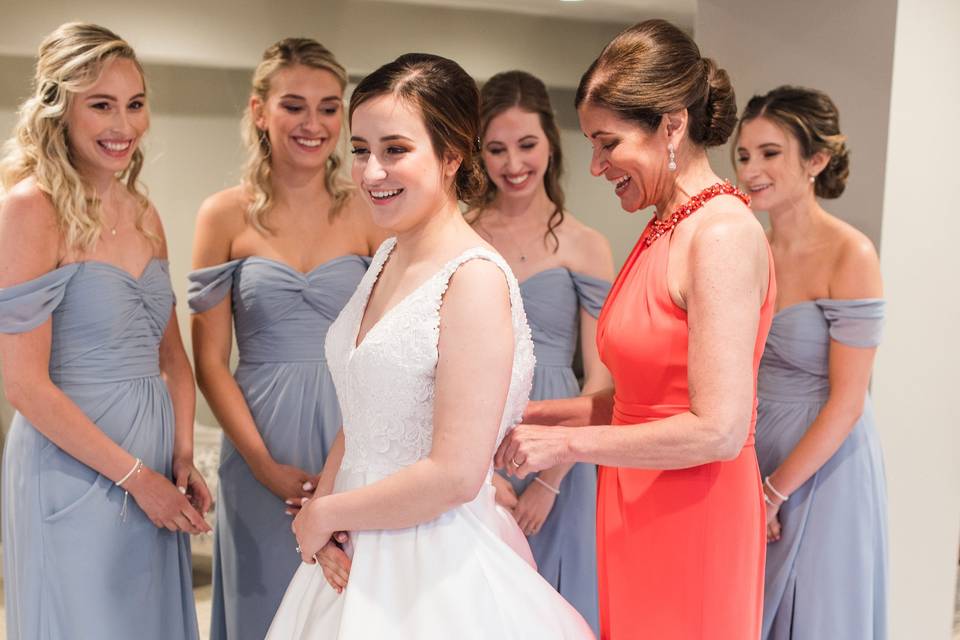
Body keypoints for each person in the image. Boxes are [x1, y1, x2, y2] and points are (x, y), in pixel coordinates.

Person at [266, 53, 594, 639]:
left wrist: (325, 514)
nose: (371, 172)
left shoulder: (473, 279)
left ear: (451, 155)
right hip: (353, 547)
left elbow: (455, 475)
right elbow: (363, 409)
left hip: (432, 561)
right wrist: (331, 521)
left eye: (395, 150)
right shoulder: (389, 253)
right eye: (361, 149)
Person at [495, 19, 775, 639]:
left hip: (695, 509)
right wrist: (541, 415)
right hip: (633, 500)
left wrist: (567, 447)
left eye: (608, 143)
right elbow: (637, 404)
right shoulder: (660, 228)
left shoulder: (722, 234)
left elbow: (719, 430)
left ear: (671, 125)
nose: (595, 166)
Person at [0, 22, 211, 640]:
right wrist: (137, 479)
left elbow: (172, 356)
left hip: (155, 476)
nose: (124, 125)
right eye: (101, 105)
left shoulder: (143, 211)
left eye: (135, 104)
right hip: (77, 473)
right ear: (59, 109)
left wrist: (179, 458)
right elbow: (23, 385)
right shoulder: (28, 210)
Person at [188, 38, 384, 640]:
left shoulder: (370, 210)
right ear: (258, 110)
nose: (314, 124)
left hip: (350, 434)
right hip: (257, 441)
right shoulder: (223, 215)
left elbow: (383, 348)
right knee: (262, 603)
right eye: (294, 105)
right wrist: (263, 465)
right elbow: (210, 362)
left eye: (330, 107)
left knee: (346, 606)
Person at [734, 85, 887, 640]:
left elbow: (848, 403)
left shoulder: (852, 254)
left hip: (826, 462)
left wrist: (773, 493)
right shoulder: (749, 246)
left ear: (816, 160)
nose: (752, 169)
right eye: (745, 154)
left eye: (770, 153)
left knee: (814, 615)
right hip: (754, 449)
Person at [468, 69, 613, 633]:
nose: (513, 164)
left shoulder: (586, 245)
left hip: (564, 456)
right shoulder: (463, 236)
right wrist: (478, 475)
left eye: (526, 145)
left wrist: (553, 479)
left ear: (551, 143)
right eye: (496, 149)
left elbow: (601, 382)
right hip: (478, 443)